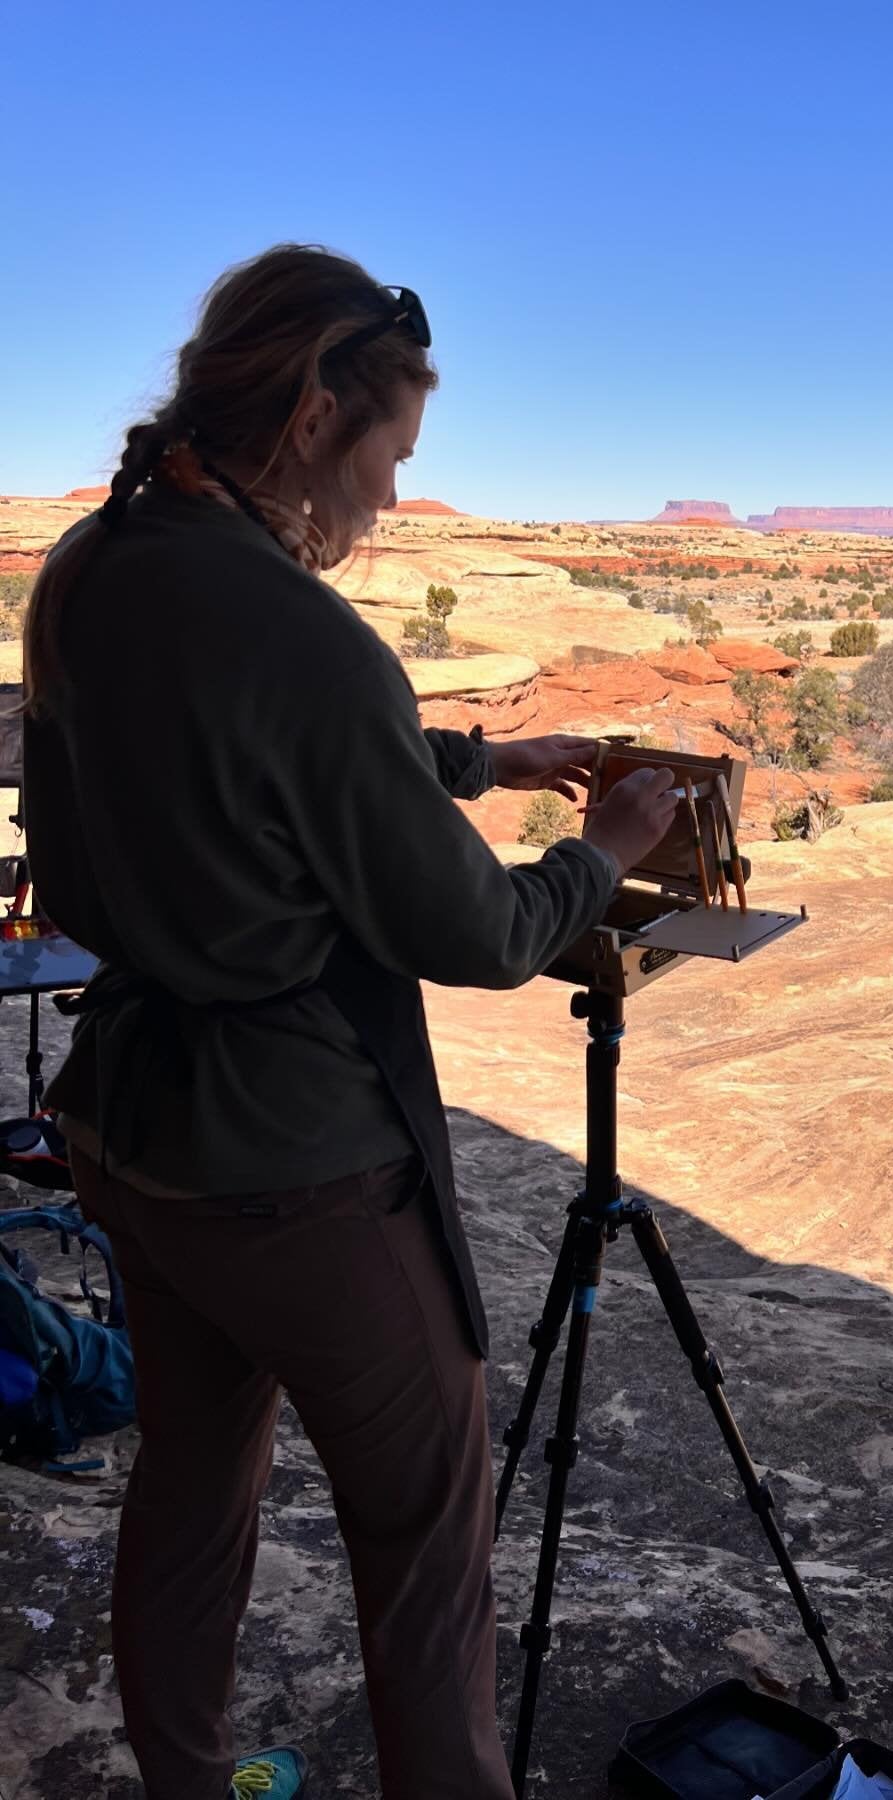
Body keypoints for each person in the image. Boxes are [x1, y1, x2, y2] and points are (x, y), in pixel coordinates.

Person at [21, 244, 680, 1800]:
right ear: (319, 413)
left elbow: (240, 765)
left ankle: (180, 1779)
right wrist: (608, 849)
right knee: (427, 1536)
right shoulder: (299, 629)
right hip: (295, 1164)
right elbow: (479, 933)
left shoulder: (93, 566)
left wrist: (480, 758)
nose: (388, 499)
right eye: (388, 457)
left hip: (137, 1130)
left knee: (191, 1479)